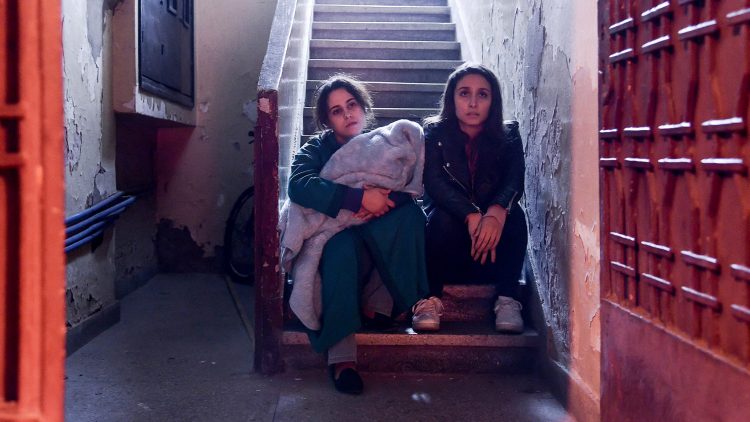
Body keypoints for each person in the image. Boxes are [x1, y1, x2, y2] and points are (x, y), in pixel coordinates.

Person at [286, 74, 428, 394]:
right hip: (336, 237)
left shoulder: (381, 143)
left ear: (364, 107)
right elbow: (299, 184)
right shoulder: (316, 148)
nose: (347, 114)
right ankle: (342, 359)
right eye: (336, 111)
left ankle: (380, 306)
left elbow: (408, 184)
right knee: (340, 247)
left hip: (375, 238)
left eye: (352, 105)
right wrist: (358, 198)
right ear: (327, 121)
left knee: (410, 217)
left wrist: (382, 200)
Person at [413, 63, 529, 334]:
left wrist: (496, 212)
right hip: (447, 251)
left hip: (491, 252)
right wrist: (470, 214)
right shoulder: (434, 133)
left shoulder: (509, 134)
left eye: (482, 94)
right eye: (464, 93)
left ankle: (507, 299)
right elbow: (434, 183)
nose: (473, 103)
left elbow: (514, 179)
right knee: (440, 217)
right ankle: (429, 300)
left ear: (493, 101)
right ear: (452, 98)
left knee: (516, 216)